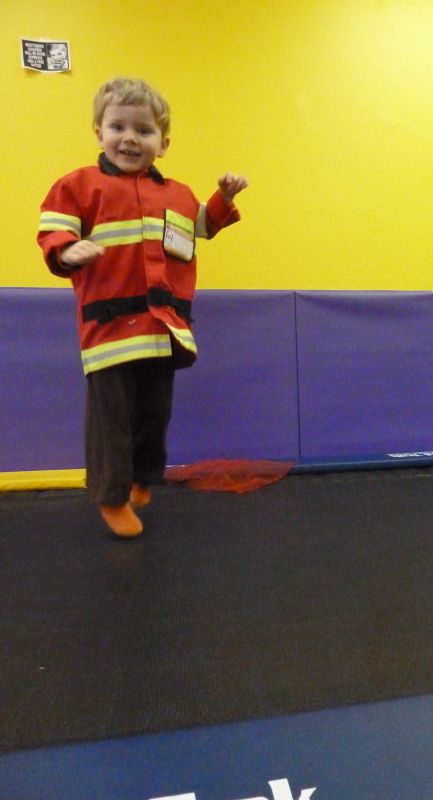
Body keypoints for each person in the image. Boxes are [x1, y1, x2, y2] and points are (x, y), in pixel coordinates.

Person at [37, 77, 248, 538]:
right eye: (118, 127)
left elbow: (203, 226)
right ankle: (111, 497)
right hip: (109, 331)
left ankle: (140, 478)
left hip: (161, 328)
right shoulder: (77, 186)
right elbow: (53, 231)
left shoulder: (177, 194)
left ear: (163, 143)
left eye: (144, 130)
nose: (130, 138)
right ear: (99, 132)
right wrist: (67, 249)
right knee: (111, 422)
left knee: (154, 415)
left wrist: (224, 199)